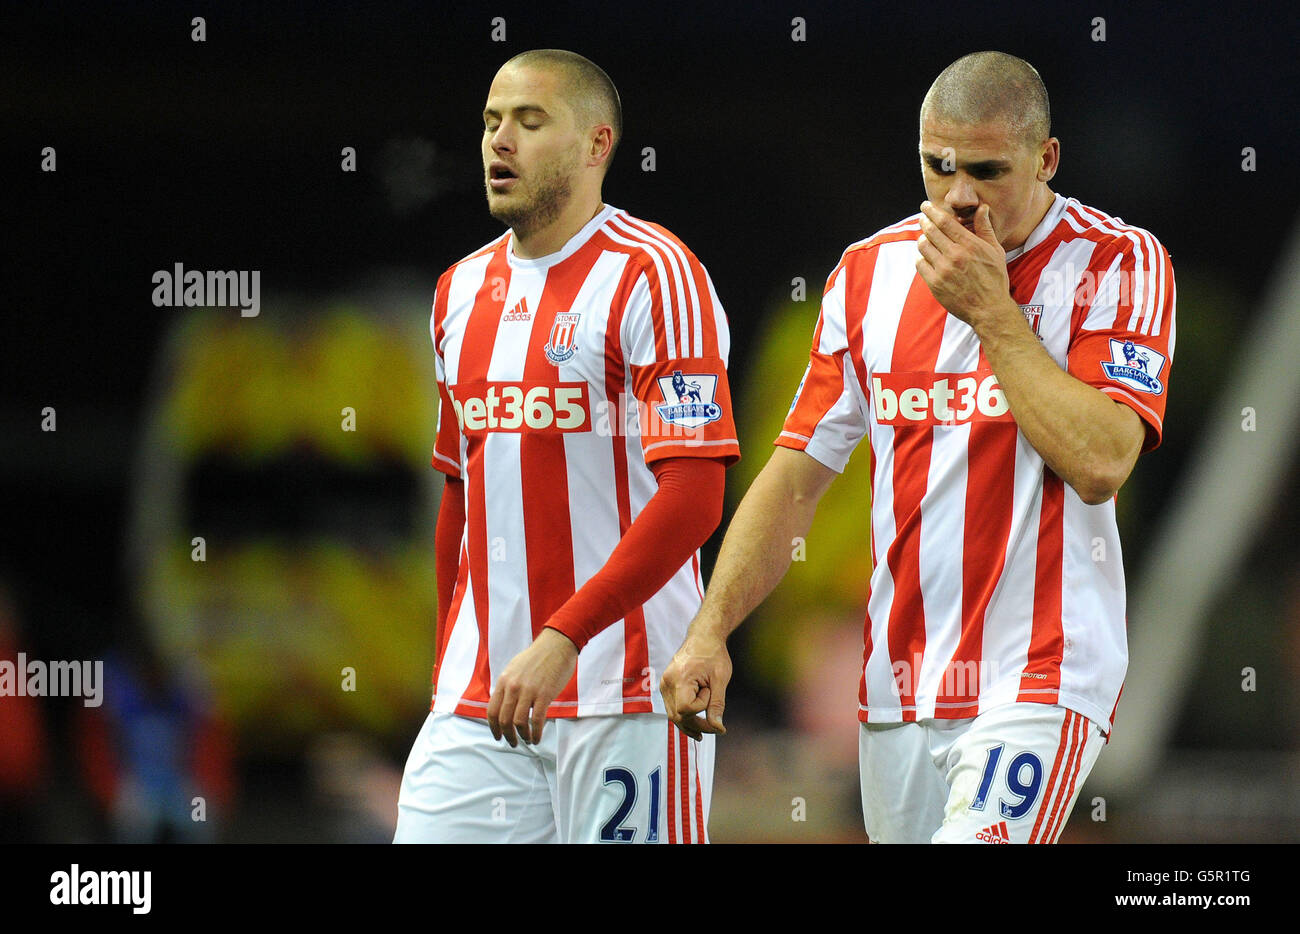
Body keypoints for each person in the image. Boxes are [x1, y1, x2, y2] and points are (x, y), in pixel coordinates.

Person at [661, 51, 1176, 844]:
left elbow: (1103, 462)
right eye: (938, 166)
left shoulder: (1118, 264)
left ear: (1047, 159)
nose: (959, 194)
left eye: (987, 169)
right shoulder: (870, 274)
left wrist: (994, 314)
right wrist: (708, 630)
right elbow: (796, 476)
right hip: (898, 688)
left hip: (1041, 675)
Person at [395, 49, 739, 843]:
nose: (498, 142)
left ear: (596, 144)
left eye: (528, 120)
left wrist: (562, 637)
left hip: (628, 695)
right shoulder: (457, 291)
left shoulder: (656, 274)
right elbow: (461, 487)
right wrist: (449, 662)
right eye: (489, 121)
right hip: (480, 701)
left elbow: (694, 495)